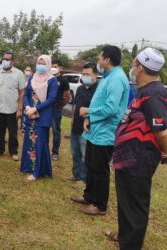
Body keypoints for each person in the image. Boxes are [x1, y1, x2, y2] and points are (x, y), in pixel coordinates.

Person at [105, 48, 167, 249]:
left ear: (140, 68)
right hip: (128, 157)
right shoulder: (146, 90)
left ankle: (130, 245)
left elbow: (162, 131)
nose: (131, 67)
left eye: (133, 64)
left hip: (138, 160)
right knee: (126, 201)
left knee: (135, 205)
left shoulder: (153, 94)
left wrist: (166, 151)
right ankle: (125, 237)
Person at [71, 45, 130, 216]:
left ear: (107, 59)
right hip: (95, 130)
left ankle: (100, 204)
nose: (98, 61)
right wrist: (89, 119)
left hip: (105, 133)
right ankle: (89, 196)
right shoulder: (108, 76)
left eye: (99, 58)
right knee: (90, 164)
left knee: (100, 168)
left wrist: (88, 112)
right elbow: (100, 103)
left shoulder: (117, 78)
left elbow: (111, 108)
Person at [20, 55, 58, 180]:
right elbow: (26, 94)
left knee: (40, 142)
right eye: (39, 63)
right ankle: (27, 167)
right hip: (30, 114)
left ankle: (37, 172)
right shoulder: (33, 76)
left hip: (42, 115)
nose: (40, 66)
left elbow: (52, 99)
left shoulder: (52, 80)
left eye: (43, 63)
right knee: (29, 141)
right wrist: (27, 107)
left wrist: (36, 108)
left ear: (48, 65)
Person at [0, 52, 25, 161]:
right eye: (4, 59)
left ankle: (13, 151)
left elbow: (22, 92)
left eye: (8, 59)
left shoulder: (19, 74)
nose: (5, 61)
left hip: (12, 109)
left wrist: (19, 109)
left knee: (13, 132)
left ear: (13, 61)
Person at [68, 63, 98, 185]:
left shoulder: (99, 90)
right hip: (76, 126)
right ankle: (76, 175)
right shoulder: (80, 88)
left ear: (95, 75)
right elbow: (75, 105)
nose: (85, 76)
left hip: (87, 129)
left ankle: (84, 179)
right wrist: (72, 118)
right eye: (83, 74)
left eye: (88, 74)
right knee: (75, 153)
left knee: (85, 156)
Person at [50, 59, 70, 161]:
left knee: (56, 131)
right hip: (46, 108)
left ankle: (55, 152)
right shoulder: (47, 78)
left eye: (55, 66)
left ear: (60, 68)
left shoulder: (63, 80)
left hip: (56, 109)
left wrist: (60, 105)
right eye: (51, 66)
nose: (53, 68)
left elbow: (67, 96)